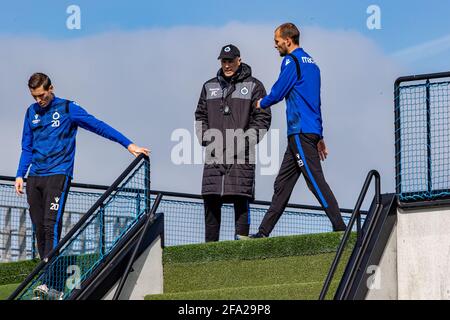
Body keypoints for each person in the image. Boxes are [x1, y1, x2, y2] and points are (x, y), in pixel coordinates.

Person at [15, 72, 149, 299]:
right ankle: (53, 284)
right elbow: (26, 147)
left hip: (58, 175)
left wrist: (128, 144)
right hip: (34, 177)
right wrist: (20, 175)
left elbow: (97, 125)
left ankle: (46, 283)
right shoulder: (31, 112)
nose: (39, 100)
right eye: (35, 96)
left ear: (51, 88)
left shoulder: (67, 108)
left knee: (50, 226)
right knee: (39, 229)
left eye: (42, 95)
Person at [251, 23, 346, 238]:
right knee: (282, 184)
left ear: (287, 40)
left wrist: (260, 103)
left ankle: (340, 227)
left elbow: (278, 91)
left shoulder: (291, 61)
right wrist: (320, 135)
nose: (275, 45)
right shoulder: (312, 64)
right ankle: (263, 232)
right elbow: (316, 102)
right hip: (308, 130)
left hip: (300, 131)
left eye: (277, 41)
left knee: (314, 181)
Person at [195, 44, 271, 242]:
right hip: (214, 153)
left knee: (241, 199)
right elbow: (200, 116)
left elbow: (263, 119)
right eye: (224, 61)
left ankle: (241, 245)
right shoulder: (208, 86)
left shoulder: (255, 85)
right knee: (211, 200)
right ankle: (209, 249)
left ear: (239, 60)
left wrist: (244, 142)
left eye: (230, 61)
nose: (227, 65)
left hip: (242, 154)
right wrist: (206, 138)